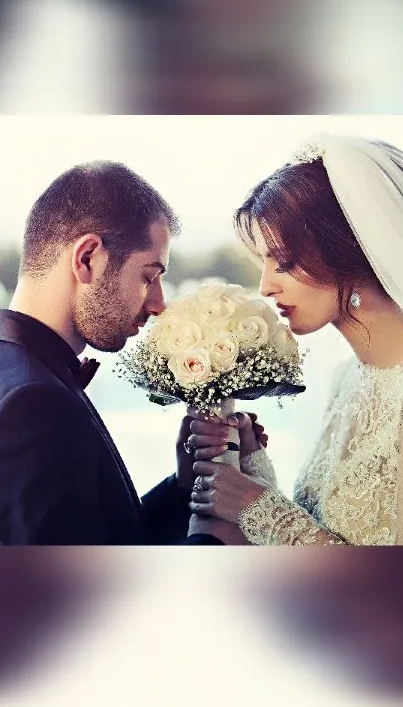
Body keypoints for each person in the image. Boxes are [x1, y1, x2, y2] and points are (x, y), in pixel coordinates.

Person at [0, 159, 264, 545]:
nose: (159, 304)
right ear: (88, 258)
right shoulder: (36, 404)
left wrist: (181, 486)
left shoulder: (24, 374)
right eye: (149, 276)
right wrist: (219, 533)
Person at [185, 132, 403, 545]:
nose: (265, 286)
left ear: (348, 251)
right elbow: (328, 525)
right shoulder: (346, 379)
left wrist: (257, 506)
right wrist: (250, 465)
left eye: (283, 262)